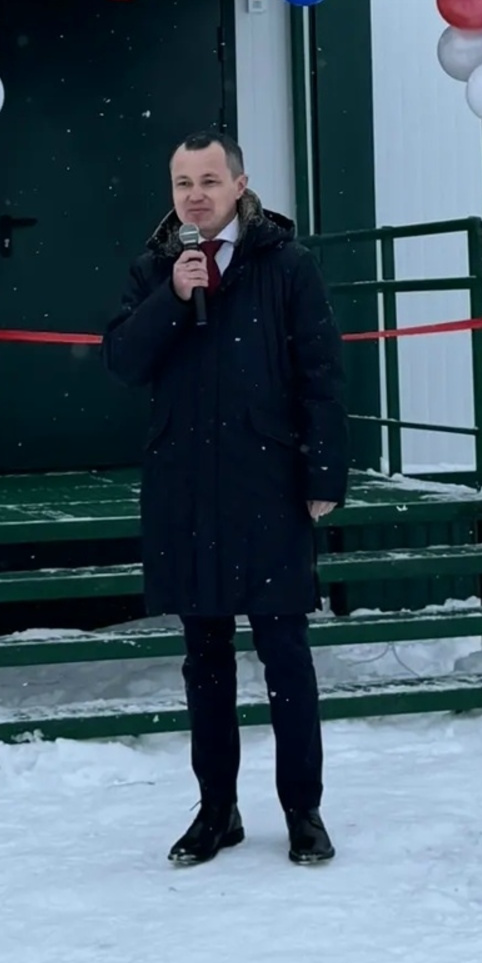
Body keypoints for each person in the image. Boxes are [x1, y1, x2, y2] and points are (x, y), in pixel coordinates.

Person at [103, 131, 347, 868]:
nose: (196, 194)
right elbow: (121, 359)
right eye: (183, 182)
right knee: (203, 660)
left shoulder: (287, 265)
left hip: (268, 483)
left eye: (210, 179)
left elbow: (322, 375)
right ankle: (217, 809)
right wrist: (173, 299)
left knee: (285, 656)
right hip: (186, 491)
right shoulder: (156, 268)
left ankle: (302, 809)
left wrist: (324, 477)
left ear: (241, 183)